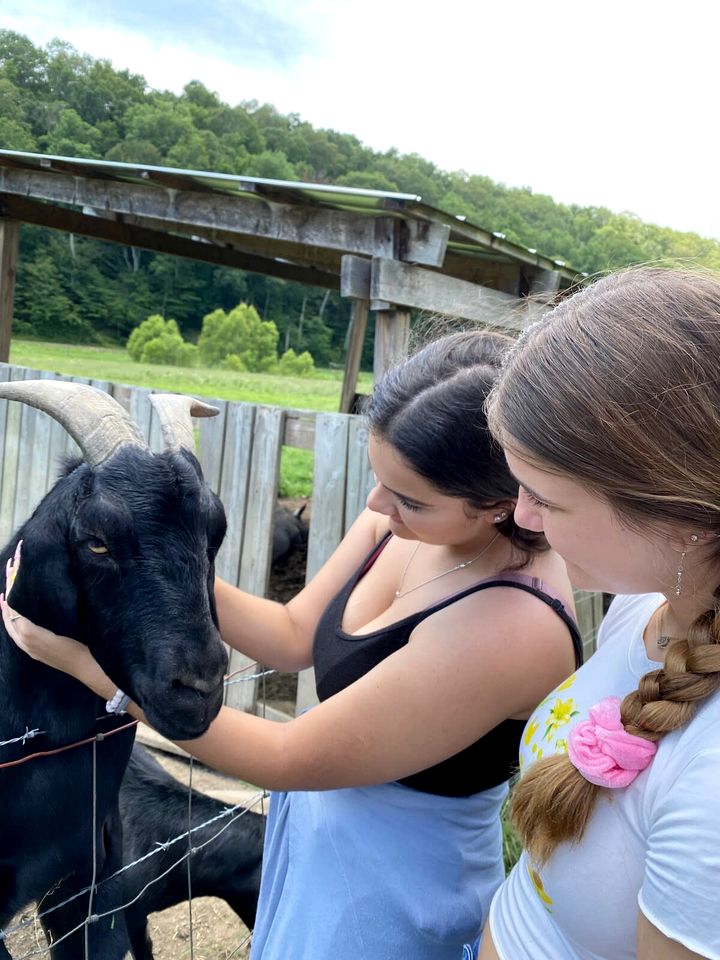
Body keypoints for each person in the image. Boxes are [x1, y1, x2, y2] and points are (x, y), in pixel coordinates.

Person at [1, 331, 582, 960]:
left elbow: (286, 756)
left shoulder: (514, 625)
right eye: (378, 477)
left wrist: (94, 675)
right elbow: (293, 636)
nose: (376, 503)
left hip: (392, 886)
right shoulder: (402, 517)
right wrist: (152, 561)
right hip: (307, 839)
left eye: (408, 496)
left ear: (504, 503)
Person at [472, 267, 720, 960]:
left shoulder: (712, 784)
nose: (520, 516)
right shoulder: (644, 605)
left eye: (546, 498)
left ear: (684, 517)